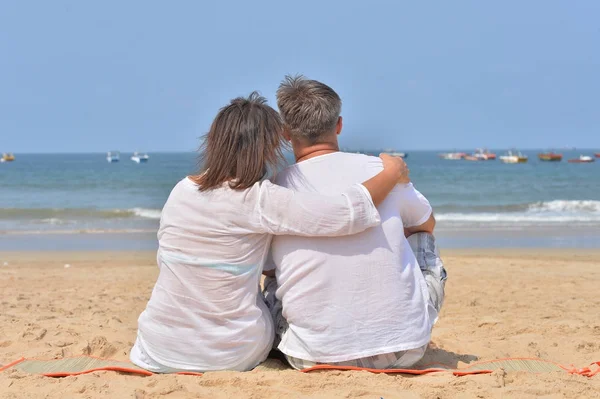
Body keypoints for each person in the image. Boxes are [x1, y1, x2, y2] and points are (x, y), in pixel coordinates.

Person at [130, 92, 410, 373]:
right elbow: (344, 213)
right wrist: (391, 172)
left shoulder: (180, 192)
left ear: (213, 141)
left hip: (157, 349)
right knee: (278, 279)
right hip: (231, 354)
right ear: (267, 148)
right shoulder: (259, 199)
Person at [263, 76, 448, 370]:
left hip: (310, 356)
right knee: (422, 238)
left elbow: (270, 268)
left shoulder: (273, 190)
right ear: (338, 125)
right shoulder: (383, 172)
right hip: (405, 351)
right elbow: (428, 224)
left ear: (286, 133)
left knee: (272, 271)